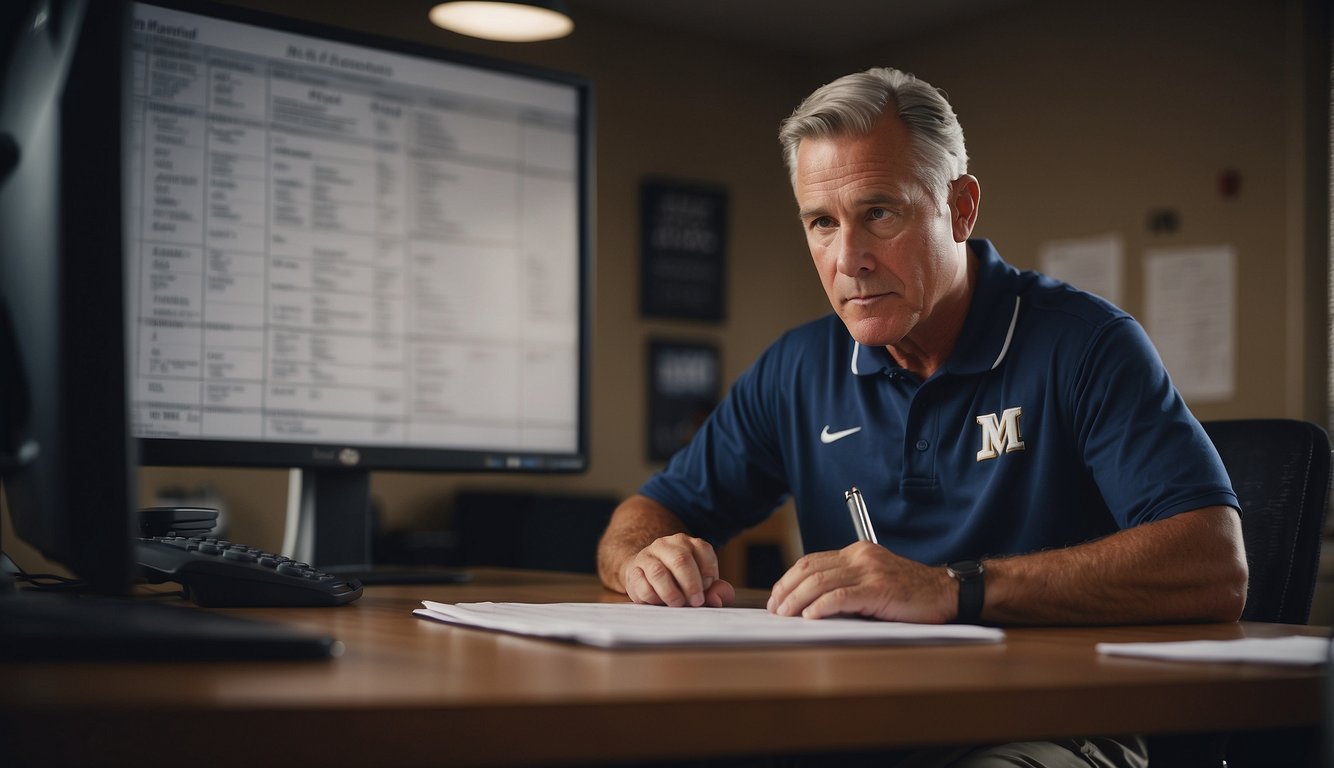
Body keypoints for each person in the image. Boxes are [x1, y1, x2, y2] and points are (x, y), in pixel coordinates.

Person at [596, 67, 1247, 767]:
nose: (850, 260)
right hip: (863, 721)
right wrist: (646, 558)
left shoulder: (1085, 344)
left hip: (1053, 718)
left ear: (960, 208)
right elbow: (643, 516)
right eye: (822, 223)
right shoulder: (797, 369)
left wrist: (951, 590)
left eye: (880, 212)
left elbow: (1213, 564)